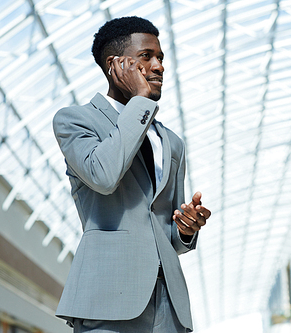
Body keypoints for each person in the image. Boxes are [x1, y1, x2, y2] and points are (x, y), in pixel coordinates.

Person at [52, 16, 211, 333]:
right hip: (108, 300)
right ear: (115, 65)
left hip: (170, 305)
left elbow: (168, 232)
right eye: (146, 57)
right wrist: (139, 103)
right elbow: (103, 176)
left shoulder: (171, 142)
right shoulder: (75, 120)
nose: (159, 67)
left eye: (161, 58)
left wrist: (186, 229)